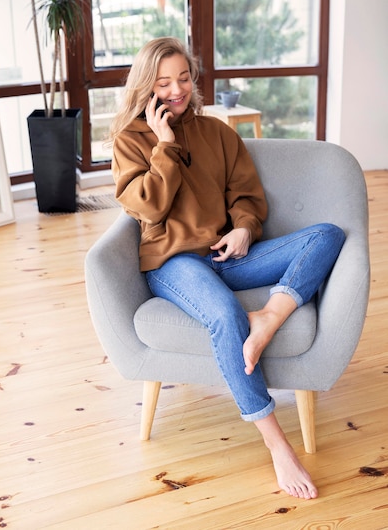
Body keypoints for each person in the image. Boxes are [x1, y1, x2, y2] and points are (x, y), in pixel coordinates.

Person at [109, 37, 346, 500]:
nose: (177, 90)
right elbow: (150, 208)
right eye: (164, 82)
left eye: (184, 78)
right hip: (173, 261)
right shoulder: (130, 142)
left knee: (328, 235)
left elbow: (246, 195)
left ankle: (269, 317)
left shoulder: (217, 132)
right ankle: (277, 444)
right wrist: (166, 145)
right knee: (223, 316)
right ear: (146, 87)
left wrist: (244, 228)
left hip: (226, 254)